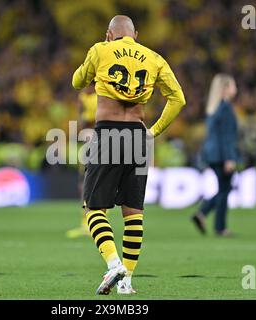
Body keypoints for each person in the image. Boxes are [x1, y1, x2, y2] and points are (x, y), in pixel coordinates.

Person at [72, 15, 186, 295]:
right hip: (138, 135)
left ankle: (113, 264)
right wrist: (154, 131)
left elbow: (77, 81)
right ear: (135, 33)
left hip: (108, 132)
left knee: (93, 208)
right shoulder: (154, 57)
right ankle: (127, 282)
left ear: (109, 34)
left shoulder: (100, 49)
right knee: (133, 212)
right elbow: (178, 99)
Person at [191, 74, 238, 237]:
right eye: (233, 85)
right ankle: (219, 226)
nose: (235, 88)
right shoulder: (225, 107)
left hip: (211, 153)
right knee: (225, 189)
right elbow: (226, 136)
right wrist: (229, 158)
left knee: (224, 188)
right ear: (225, 88)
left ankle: (203, 214)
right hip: (221, 154)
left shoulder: (213, 107)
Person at [66, 83, 97, 239]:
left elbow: (87, 122)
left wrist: (81, 112)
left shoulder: (93, 99)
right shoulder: (100, 97)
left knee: (87, 183)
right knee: (87, 183)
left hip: (94, 141)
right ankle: (89, 222)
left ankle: (88, 224)